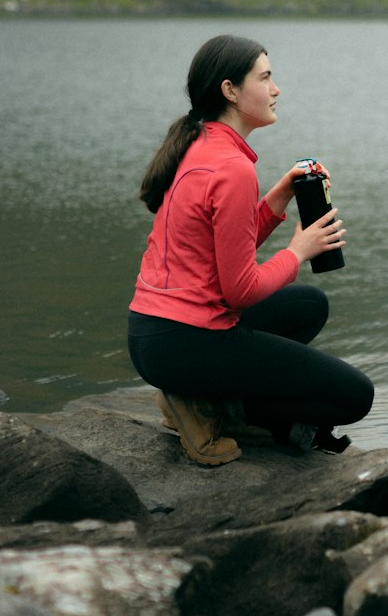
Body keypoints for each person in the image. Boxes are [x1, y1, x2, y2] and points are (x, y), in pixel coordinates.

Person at [127, 34, 374, 465]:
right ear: (230, 90)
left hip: (154, 335)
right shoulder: (234, 168)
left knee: (308, 304)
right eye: (266, 77)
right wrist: (298, 251)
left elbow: (222, 246)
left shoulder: (200, 143)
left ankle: (197, 395)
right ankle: (216, 410)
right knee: (355, 396)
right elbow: (239, 290)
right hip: (185, 343)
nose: (276, 89)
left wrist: (279, 196)